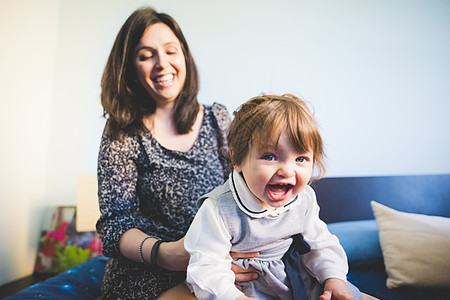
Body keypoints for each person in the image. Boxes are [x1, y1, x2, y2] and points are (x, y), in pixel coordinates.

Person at [96, 7, 254, 299]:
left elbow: (247, 192)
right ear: (129, 68)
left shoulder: (217, 120)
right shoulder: (122, 131)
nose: (162, 64)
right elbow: (115, 223)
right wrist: (167, 254)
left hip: (216, 262)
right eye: (146, 56)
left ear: (184, 56)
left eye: (171, 51)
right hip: (147, 270)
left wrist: (222, 259)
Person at [184, 94, 364, 300]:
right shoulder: (219, 208)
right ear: (238, 159)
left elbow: (319, 243)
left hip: (297, 278)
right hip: (249, 289)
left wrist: (334, 279)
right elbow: (206, 267)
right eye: (270, 157)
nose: (287, 171)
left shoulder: (303, 199)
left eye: (301, 159)